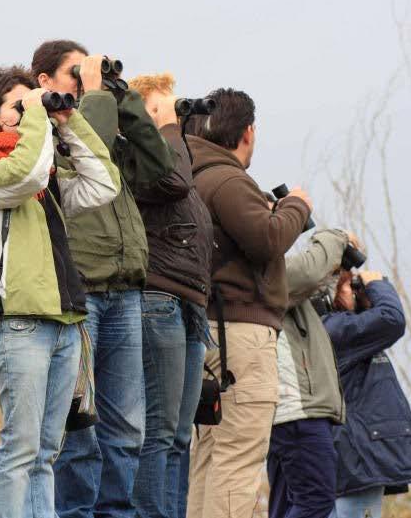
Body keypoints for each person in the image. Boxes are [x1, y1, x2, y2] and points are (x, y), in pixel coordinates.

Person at [0, 66, 120, 518]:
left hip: (65, 322)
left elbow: (105, 184)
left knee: (47, 451)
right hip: (22, 323)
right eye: (19, 105)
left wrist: (69, 121)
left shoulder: (45, 174)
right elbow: (25, 174)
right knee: (21, 448)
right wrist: (36, 113)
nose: (34, 110)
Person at [32, 40, 175, 518]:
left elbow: (159, 164)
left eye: (87, 72)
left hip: (126, 289)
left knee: (128, 430)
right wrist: (93, 94)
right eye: (74, 72)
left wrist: (121, 92)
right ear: (44, 82)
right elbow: (82, 141)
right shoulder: (41, 134)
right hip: (82, 289)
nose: (83, 79)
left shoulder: (104, 126)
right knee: (79, 427)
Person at [185, 87, 311, 518]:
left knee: (208, 459)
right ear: (248, 132)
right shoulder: (229, 179)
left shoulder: (191, 176)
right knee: (238, 461)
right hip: (242, 335)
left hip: (206, 334)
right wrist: (294, 207)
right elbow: (268, 239)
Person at [127, 72, 214, 518]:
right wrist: (164, 125)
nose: (174, 117)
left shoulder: (175, 155)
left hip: (190, 304)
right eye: (164, 107)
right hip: (158, 298)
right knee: (158, 432)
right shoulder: (135, 154)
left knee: (181, 434)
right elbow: (174, 184)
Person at [324, 268, 411, 518]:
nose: (356, 291)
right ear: (329, 295)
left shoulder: (341, 328)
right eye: (348, 287)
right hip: (355, 463)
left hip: (355, 460)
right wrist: (375, 285)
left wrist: (365, 297)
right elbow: (392, 318)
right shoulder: (333, 330)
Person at [266, 229, 350, 518]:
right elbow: (309, 272)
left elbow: (311, 286)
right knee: (316, 500)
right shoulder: (259, 267)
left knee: (287, 503)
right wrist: (334, 236)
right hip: (298, 408)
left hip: (287, 409)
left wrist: (338, 274)